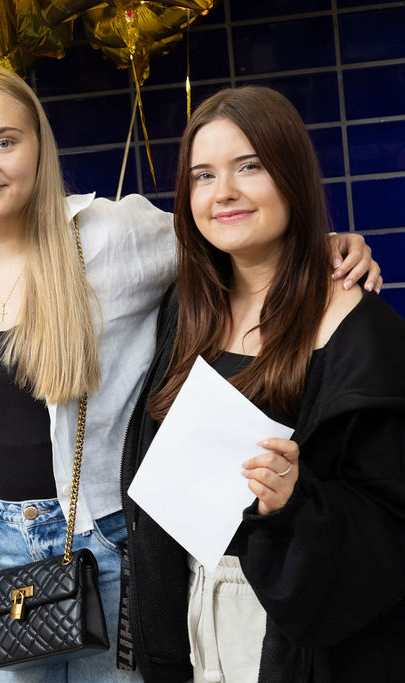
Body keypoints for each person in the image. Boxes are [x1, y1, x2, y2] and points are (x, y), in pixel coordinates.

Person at [0, 65, 382, 682]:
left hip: (107, 539)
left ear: (38, 149)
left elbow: (224, 230)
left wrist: (324, 243)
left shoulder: (110, 237)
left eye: (5, 141)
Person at [121, 86, 405, 682]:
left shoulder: (358, 327)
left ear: (292, 175)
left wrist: (296, 503)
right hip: (189, 608)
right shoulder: (186, 310)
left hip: (292, 633)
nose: (222, 192)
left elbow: (390, 521)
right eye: (202, 175)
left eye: (248, 167)